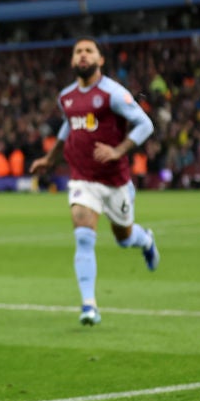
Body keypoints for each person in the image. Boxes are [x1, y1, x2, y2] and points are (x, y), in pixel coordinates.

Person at [30, 37, 158, 327]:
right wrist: (50, 159)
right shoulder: (67, 97)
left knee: (124, 238)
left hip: (115, 181)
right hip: (82, 178)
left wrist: (118, 150)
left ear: (100, 60)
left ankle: (146, 240)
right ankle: (89, 305)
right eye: (78, 51)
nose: (83, 55)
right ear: (73, 61)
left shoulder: (113, 93)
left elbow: (145, 124)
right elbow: (69, 124)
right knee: (83, 237)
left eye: (89, 51)